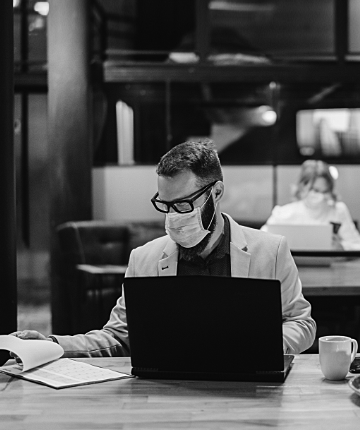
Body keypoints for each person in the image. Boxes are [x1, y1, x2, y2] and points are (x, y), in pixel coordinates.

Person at [13, 140, 316, 356]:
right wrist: (51, 345)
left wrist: (260, 348)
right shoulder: (144, 259)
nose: (173, 217)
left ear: (217, 192)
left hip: (251, 388)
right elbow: (117, 336)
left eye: (183, 204)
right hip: (165, 392)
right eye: (165, 205)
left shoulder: (271, 250)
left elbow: (301, 323)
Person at [262, 159, 360, 250]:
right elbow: (261, 241)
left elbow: (356, 245)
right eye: (315, 190)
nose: (320, 196)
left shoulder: (338, 210)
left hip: (329, 267)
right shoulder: (283, 213)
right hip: (292, 267)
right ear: (302, 186)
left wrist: (341, 247)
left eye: (324, 191)